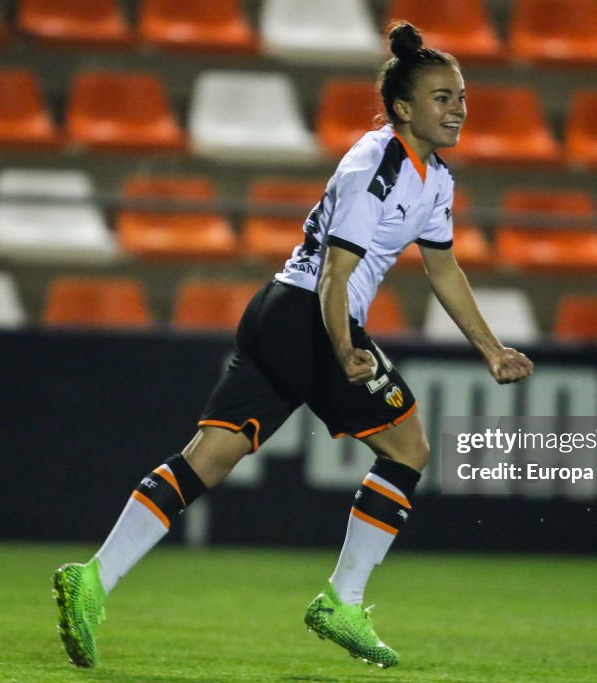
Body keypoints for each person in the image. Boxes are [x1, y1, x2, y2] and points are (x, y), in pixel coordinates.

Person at [52, 20, 534, 671]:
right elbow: (337, 272)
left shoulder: (436, 179)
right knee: (408, 446)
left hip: (279, 310)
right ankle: (343, 599)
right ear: (404, 107)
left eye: (461, 96)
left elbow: (443, 268)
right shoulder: (379, 167)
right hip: (312, 314)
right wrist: (343, 348)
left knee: (210, 456)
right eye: (443, 97)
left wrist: (491, 347)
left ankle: (92, 579)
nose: (458, 109)